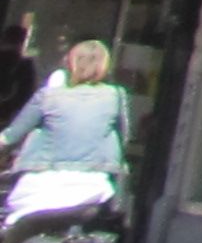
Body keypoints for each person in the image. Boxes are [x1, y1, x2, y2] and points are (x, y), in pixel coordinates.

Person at [0, 42, 129, 231]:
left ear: (70, 64)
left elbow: (10, 137)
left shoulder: (48, 96)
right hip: (93, 191)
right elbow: (124, 137)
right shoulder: (115, 96)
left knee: (11, 235)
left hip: (39, 190)